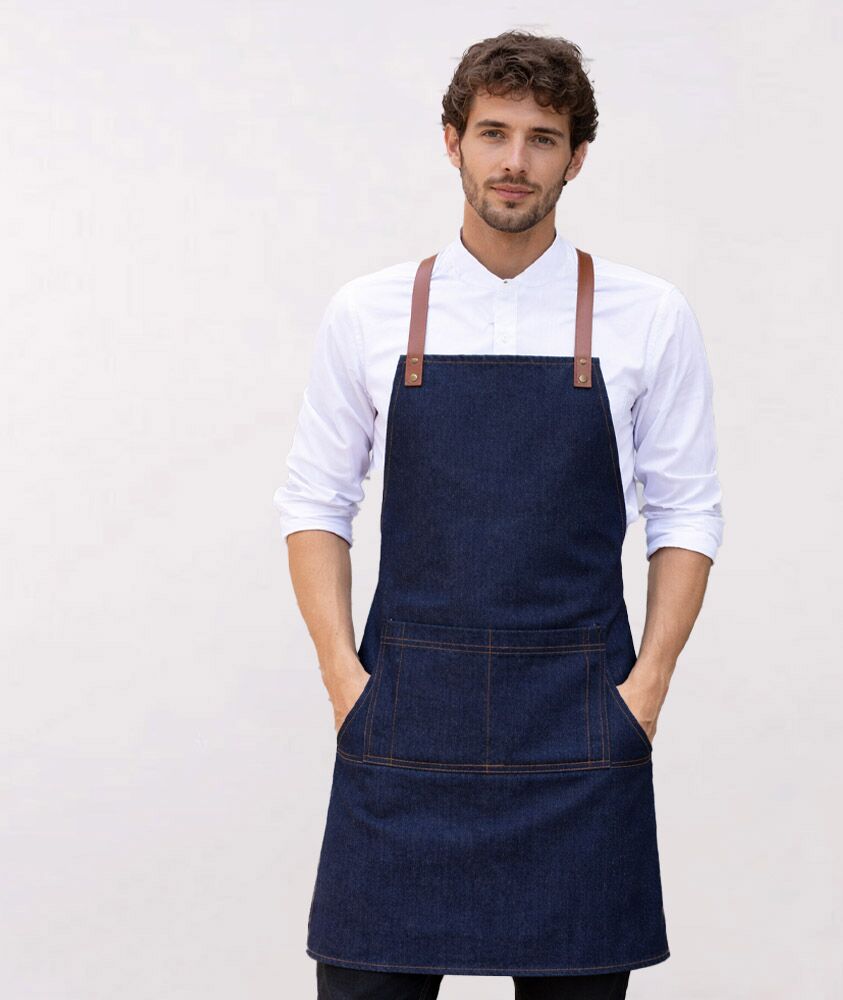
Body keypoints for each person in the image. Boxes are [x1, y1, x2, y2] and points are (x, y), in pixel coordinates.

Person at [273, 29, 724, 1000]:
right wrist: (344, 680)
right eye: (493, 133)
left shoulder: (648, 316)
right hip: (405, 720)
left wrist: (644, 694)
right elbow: (315, 501)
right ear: (453, 141)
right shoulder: (369, 312)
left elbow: (686, 514)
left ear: (577, 157)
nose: (515, 160)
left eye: (542, 138)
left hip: (577, 729)